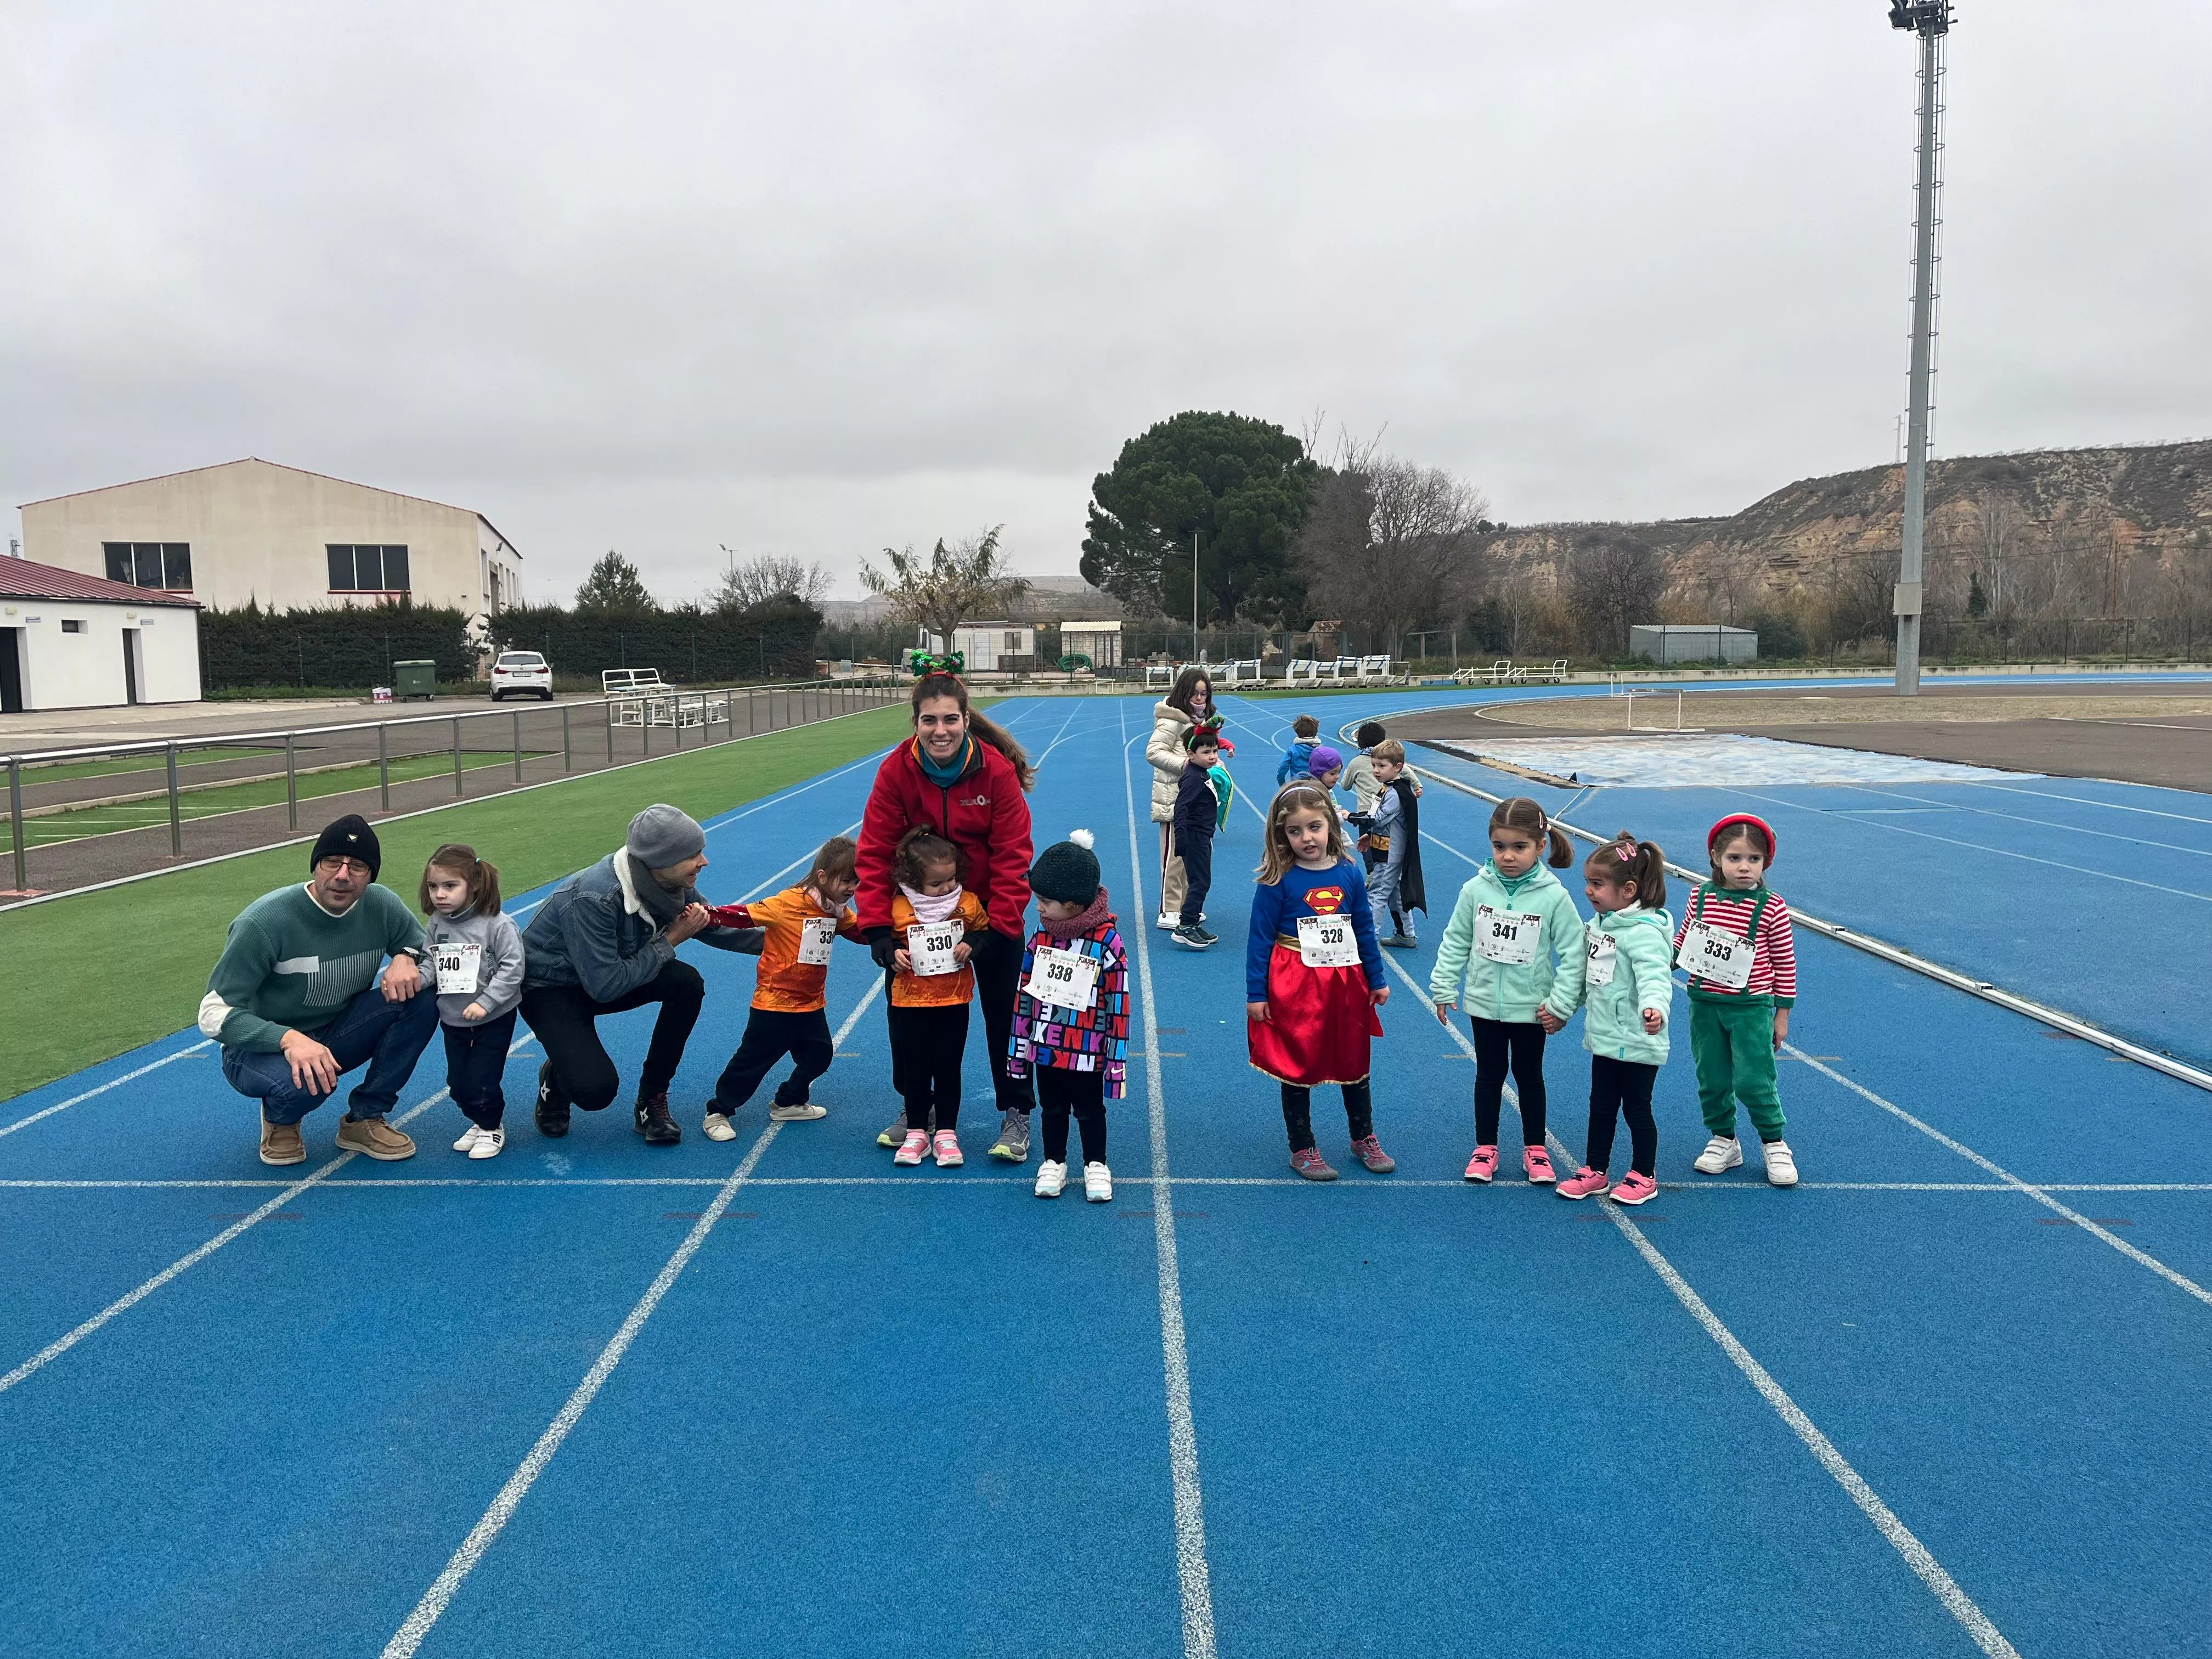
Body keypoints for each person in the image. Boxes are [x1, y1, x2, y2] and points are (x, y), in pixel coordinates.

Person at [857, 668, 1038, 1160]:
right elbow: (874, 851)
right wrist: (877, 926)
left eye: (951, 719)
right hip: (920, 918)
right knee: (909, 1015)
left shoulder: (995, 771)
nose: (941, 730)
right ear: (915, 722)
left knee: (1006, 1017)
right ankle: (919, 1110)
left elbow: (1013, 854)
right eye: (930, 720)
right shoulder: (896, 770)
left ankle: (1017, 1111)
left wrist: (998, 928)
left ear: (965, 719)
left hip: (985, 914)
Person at [519, 804, 762, 1147]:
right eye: (693, 854)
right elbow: (606, 987)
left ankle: (652, 1100)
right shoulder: (593, 897)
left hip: (609, 973)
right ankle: (555, 1078)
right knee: (594, 1092)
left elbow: (714, 928)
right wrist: (672, 938)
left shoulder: (671, 883)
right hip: (552, 988)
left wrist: (791, 940)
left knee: (686, 984)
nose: (704, 861)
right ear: (661, 860)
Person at [201, 814, 437, 1166]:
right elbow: (212, 1014)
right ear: (315, 867)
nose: (343, 875)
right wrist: (288, 1039)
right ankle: (281, 1121)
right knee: (300, 1083)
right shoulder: (264, 922)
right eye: (332, 862)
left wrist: (407, 954)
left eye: (357, 866)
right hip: (262, 1048)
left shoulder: (381, 904)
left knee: (422, 996)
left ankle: (366, 1118)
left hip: (336, 1031)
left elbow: (434, 950)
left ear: (371, 877)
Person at [1429, 796, 1584, 1186]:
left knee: (1530, 1077)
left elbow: (1574, 953)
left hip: (1533, 1008)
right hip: (1484, 1005)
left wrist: (1561, 1004)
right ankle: (1486, 1147)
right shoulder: (1475, 890)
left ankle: (1535, 1148)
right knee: (1489, 1075)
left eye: (1519, 848)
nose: (1508, 857)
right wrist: (1444, 985)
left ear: (1540, 847)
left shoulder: (1554, 897)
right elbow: (1456, 940)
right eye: (1500, 847)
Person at [1246, 783, 1393, 1181]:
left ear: (1330, 823)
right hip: (1295, 981)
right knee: (1298, 1061)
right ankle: (1302, 1145)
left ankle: (1363, 1135)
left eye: (1314, 827)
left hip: (1345, 981)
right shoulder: (1278, 880)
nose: (1306, 838)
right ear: (1283, 835)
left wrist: (1376, 978)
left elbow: (1364, 929)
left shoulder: (1348, 872)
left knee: (1354, 1056)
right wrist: (1256, 993)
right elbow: (1259, 939)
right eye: (1295, 832)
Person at [697, 835, 865, 1141]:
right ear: (823, 877)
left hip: (811, 1003)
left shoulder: (837, 910)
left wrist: (896, 932)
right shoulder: (787, 903)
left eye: (857, 882)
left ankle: (788, 1102)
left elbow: (860, 933)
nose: (853, 889)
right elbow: (744, 916)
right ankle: (718, 1111)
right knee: (752, 1062)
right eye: (847, 881)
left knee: (819, 1056)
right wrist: (705, 915)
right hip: (773, 1003)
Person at [1675, 814, 1802, 1188]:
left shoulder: (1772, 907)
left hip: (1751, 1009)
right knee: (1711, 1076)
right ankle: (1724, 1139)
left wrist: (1782, 1016)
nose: (1744, 867)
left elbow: (1785, 962)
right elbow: (1684, 942)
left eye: (1754, 860)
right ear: (1716, 857)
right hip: (1705, 1005)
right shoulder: (1700, 897)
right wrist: (1654, 965)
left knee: (1753, 1079)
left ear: (1765, 863)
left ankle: (1774, 1142)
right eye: (1735, 858)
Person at [1006, 830, 1130, 1203]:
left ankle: (1096, 1165)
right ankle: (1054, 1162)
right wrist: (1019, 1049)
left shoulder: (1108, 944)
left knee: (1090, 1110)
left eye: (1045, 901)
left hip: (1089, 1049)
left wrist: (1116, 1059)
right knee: (1053, 1108)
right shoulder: (1039, 941)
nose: (1038, 908)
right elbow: (1023, 997)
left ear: (1074, 904)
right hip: (1047, 1046)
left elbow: (1119, 1004)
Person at [1553, 835, 1673, 1206]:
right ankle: (1596, 1170)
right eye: (1588, 882)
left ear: (1628, 890)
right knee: (1601, 1106)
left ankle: (1644, 1174)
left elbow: (1656, 977)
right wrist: (1562, 1009)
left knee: (1637, 1108)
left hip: (1638, 1039)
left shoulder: (1645, 934)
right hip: (1604, 1036)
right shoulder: (1599, 926)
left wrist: (1655, 1008)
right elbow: (1587, 978)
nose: (1588, 891)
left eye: (1597, 884)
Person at [885, 828, 991, 1168]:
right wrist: (893, 954)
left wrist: (972, 944)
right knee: (915, 1069)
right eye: (936, 884)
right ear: (913, 881)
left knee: (948, 1068)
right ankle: (917, 1131)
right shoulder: (900, 907)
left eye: (951, 880)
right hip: (911, 1001)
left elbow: (984, 931)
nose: (947, 888)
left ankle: (947, 1132)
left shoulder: (968, 903)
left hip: (953, 1001)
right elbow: (885, 940)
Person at [421, 843, 526, 1160]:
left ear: (475, 885)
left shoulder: (498, 924)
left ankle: (492, 1125)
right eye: (434, 886)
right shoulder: (438, 923)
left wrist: (487, 1001)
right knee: (457, 1083)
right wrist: (419, 979)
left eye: (450, 886)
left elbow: (513, 967)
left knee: (481, 1079)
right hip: (453, 1017)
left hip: (493, 1018)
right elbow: (432, 961)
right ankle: (478, 1121)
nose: (440, 894)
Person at [1146, 667, 1215, 933]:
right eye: (1194, 694)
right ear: (1183, 693)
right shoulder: (1172, 720)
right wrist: (1187, 765)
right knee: (1174, 857)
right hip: (1175, 798)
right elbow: (1153, 752)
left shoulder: (1201, 721)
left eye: (1204, 694)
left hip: (1196, 798)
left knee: (1192, 858)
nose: (1200, 699)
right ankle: (1169, 908)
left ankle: (1188, 906)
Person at [1355, 740, 1425, 948]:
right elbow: (1381, 821)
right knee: (1395, 893)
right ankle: (1406, 934)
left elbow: (1378, 818)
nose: (1376, 771)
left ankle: (1368, 939)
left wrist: (1349, 817)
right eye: (1374, 765)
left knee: (1376, 894)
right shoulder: (1390, 789)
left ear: (1398, 767)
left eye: (1381, 766)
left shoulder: (1395, 793)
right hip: (1386, 849)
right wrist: (1369, 834)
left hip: (1389, 854)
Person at [1170, 725, 1226, 949]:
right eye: (1206, 752)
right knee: (1200, 882)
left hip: (1202, 835)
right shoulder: (1193, 778)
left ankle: (1191, 923)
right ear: (1191, 755)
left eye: (1215, 751)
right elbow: (1181, 808)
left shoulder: (1201, 773)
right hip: (1194, 837)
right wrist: (1182, 839)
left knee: (1201, 881)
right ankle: (1185, 926)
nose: (1212, 757)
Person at [1275, 714, 1321, 786]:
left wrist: (1282, 783)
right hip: (1316, 785)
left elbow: (1283, 766)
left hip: (1297, 784)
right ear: (1316, 732)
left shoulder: (1293, 750)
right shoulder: (1321, 751)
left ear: (1297, 732)